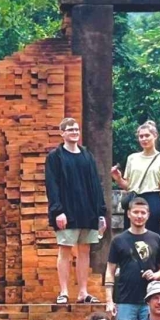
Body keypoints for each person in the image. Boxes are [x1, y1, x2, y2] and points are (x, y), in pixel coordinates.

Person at [45, 117, 109, 305]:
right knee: (65, 250)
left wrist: (101, 213)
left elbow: (96, 185)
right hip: (66, 212)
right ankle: (64, 292)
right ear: (62, 133)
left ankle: (83, 292)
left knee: (85, 250)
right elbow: (52, 186)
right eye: (70, 130)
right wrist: (57, 211)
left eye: (76, 129)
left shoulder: (87, 156)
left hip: (88, 211)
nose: (74, 132)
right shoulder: (55, 157)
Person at [105, 196, 160, 320]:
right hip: (125, 300)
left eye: (143, 213)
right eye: (136, 212)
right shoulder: (118, 240)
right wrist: (109, 300)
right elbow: (110, 270)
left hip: (150, 300)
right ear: (128, 214)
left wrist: (155, 275)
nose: (139, 216)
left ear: (148, 215)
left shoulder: (156, 238)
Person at [111, 122, 160, 234]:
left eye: (147, 135)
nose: (144, 139)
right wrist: (118, 179)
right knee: (131, 236)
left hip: (152, 200)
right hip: (134, 200)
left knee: (154, 236)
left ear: (155, 136)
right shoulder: (132, 158)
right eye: (141, 136)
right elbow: (128, 186)